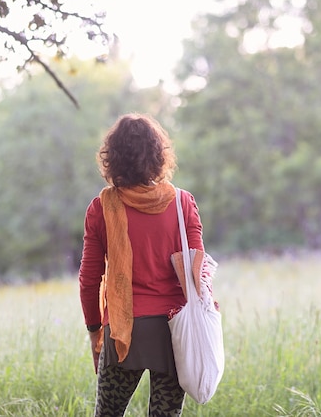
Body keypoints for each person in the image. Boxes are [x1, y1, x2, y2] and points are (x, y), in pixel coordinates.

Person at [78, 113, 205, 416]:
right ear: (158, 154)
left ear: (113, 157)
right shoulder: (183, 204)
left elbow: (89, 280)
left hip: (123, 331)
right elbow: (198, 274)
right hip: (174, 332)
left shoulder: (101, 208)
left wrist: (96, 332)